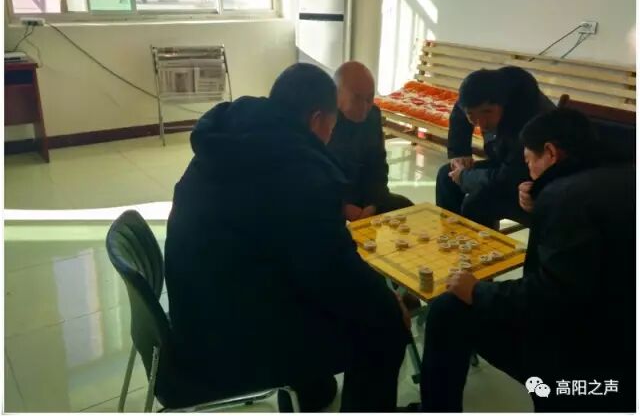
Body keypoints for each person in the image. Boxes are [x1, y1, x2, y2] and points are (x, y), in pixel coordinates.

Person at [164, 63, 410, 412]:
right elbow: (334, 271)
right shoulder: (299, 171)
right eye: (331, 128)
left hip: (196, 319)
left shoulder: (230, 137)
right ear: (317, 120)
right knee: (385, 328)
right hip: (229, 345)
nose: (328, 139)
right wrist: (387, 301)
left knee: (309, 284)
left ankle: (310, 386)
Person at [420, 108, 635, 412]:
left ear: (551, 152)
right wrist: (542, 204)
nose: (529, 172)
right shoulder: (622, 174)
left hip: (582, 352)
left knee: (448, 309)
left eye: (529, 161)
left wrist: (478, 291)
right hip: (623, 337)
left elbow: (550, 296)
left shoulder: (567, 198)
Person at [437, 66, 555, 229]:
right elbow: (461, 110)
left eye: (487, 112)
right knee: (446, 176)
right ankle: (450, 235)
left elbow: (509, 177)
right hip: (506, 162)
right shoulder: (486, 91)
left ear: (503, 103)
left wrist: (465, 177)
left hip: (532, 179)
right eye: (472, 115)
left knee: (477, 203)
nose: (482, 124)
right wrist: (459, 152)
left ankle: (481, 244)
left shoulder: (529, 115)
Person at [327, 61, 413, 222]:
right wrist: (343, 206)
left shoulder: (373, 116)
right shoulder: (323, 121)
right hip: (331, 199)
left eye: (369, 98)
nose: (365, 106)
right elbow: (315, 177)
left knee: (407, 209)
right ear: (336, 95)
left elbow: (378, 167)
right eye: (357, 98)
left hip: (366, 197)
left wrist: (373, 204)